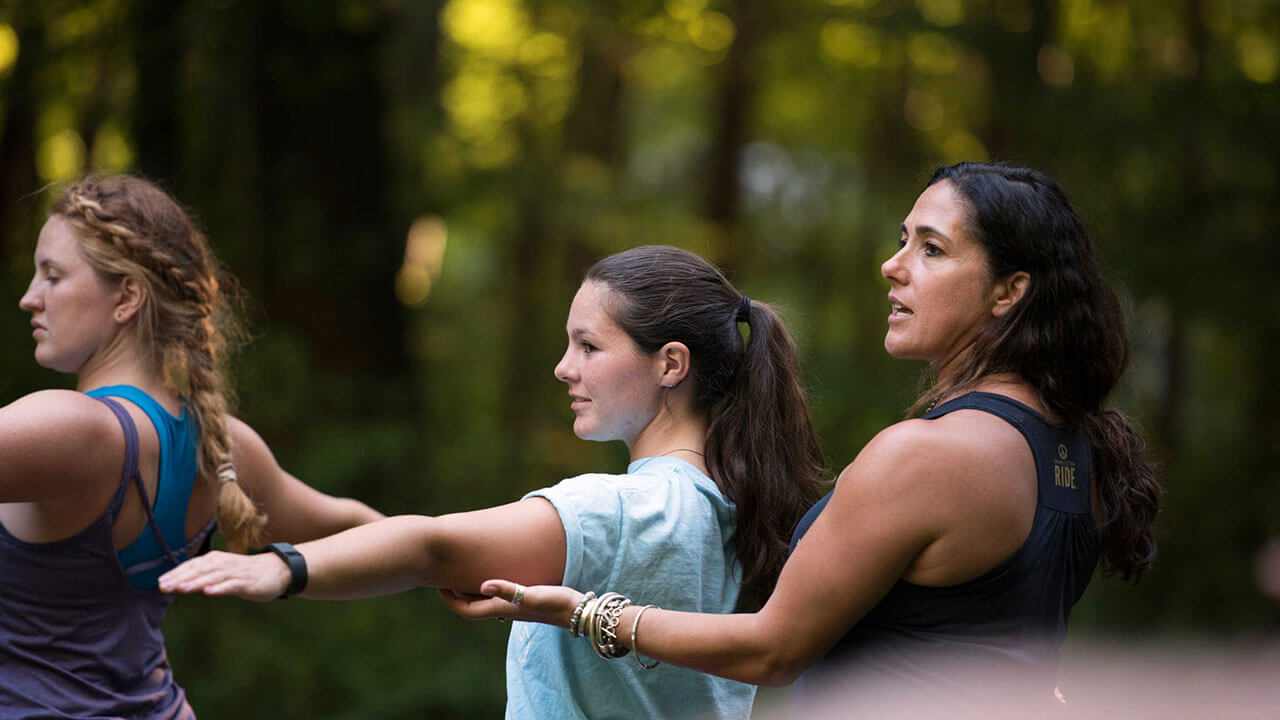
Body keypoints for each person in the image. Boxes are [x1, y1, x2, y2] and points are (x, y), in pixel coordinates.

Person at [444, 162, 1163, 715]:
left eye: (934, 249)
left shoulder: (930, 455)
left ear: (1009, 291)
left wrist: (580, 609)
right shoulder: (1072, 444)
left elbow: (773, 649)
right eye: (902, 239)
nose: (894, 264)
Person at [158, 245, 825, 719]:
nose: (564, 369)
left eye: (589, 347)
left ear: (670, 363)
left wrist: (285, 571)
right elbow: (438, 547)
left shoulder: (617, 509)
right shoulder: (744, 510)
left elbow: (433, 548)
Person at [0, 175, 384, 719]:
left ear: (126, 297)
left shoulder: (71, 429)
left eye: (53, 276)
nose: (29, 298)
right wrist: (455, 563)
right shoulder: (221, 445)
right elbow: (357, 528)